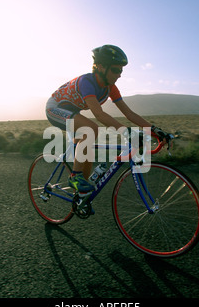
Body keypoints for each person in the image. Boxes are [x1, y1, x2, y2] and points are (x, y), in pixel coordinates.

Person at [46, 44, 171, 195]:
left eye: (121, 70)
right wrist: (126, 132)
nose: (119, 74)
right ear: (100, 67)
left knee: (87, 153)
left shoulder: (110, 87)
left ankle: (80, 196)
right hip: (54, 108)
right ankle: (74, 177)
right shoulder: (87, 82)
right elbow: (99, 114)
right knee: (92, 129)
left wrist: (154, 130)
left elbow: (129, 114)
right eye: (116, 70)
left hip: (72, 111)